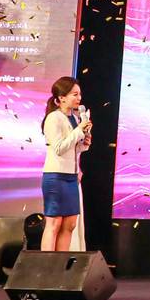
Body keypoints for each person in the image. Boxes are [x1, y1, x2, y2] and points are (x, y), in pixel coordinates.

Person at [40, 76, 91, 252]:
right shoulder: (53, 118)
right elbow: (59, 148)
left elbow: (73, 148)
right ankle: (48, 263)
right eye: (74, 95)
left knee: (70, 224)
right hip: (56, 176)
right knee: (54, 223)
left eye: (79, 94)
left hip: (71, 177)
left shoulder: (75, 119)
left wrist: (84, 143)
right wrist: (79, 131)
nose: (79, 98)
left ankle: (60, 263)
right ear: (62, 97)